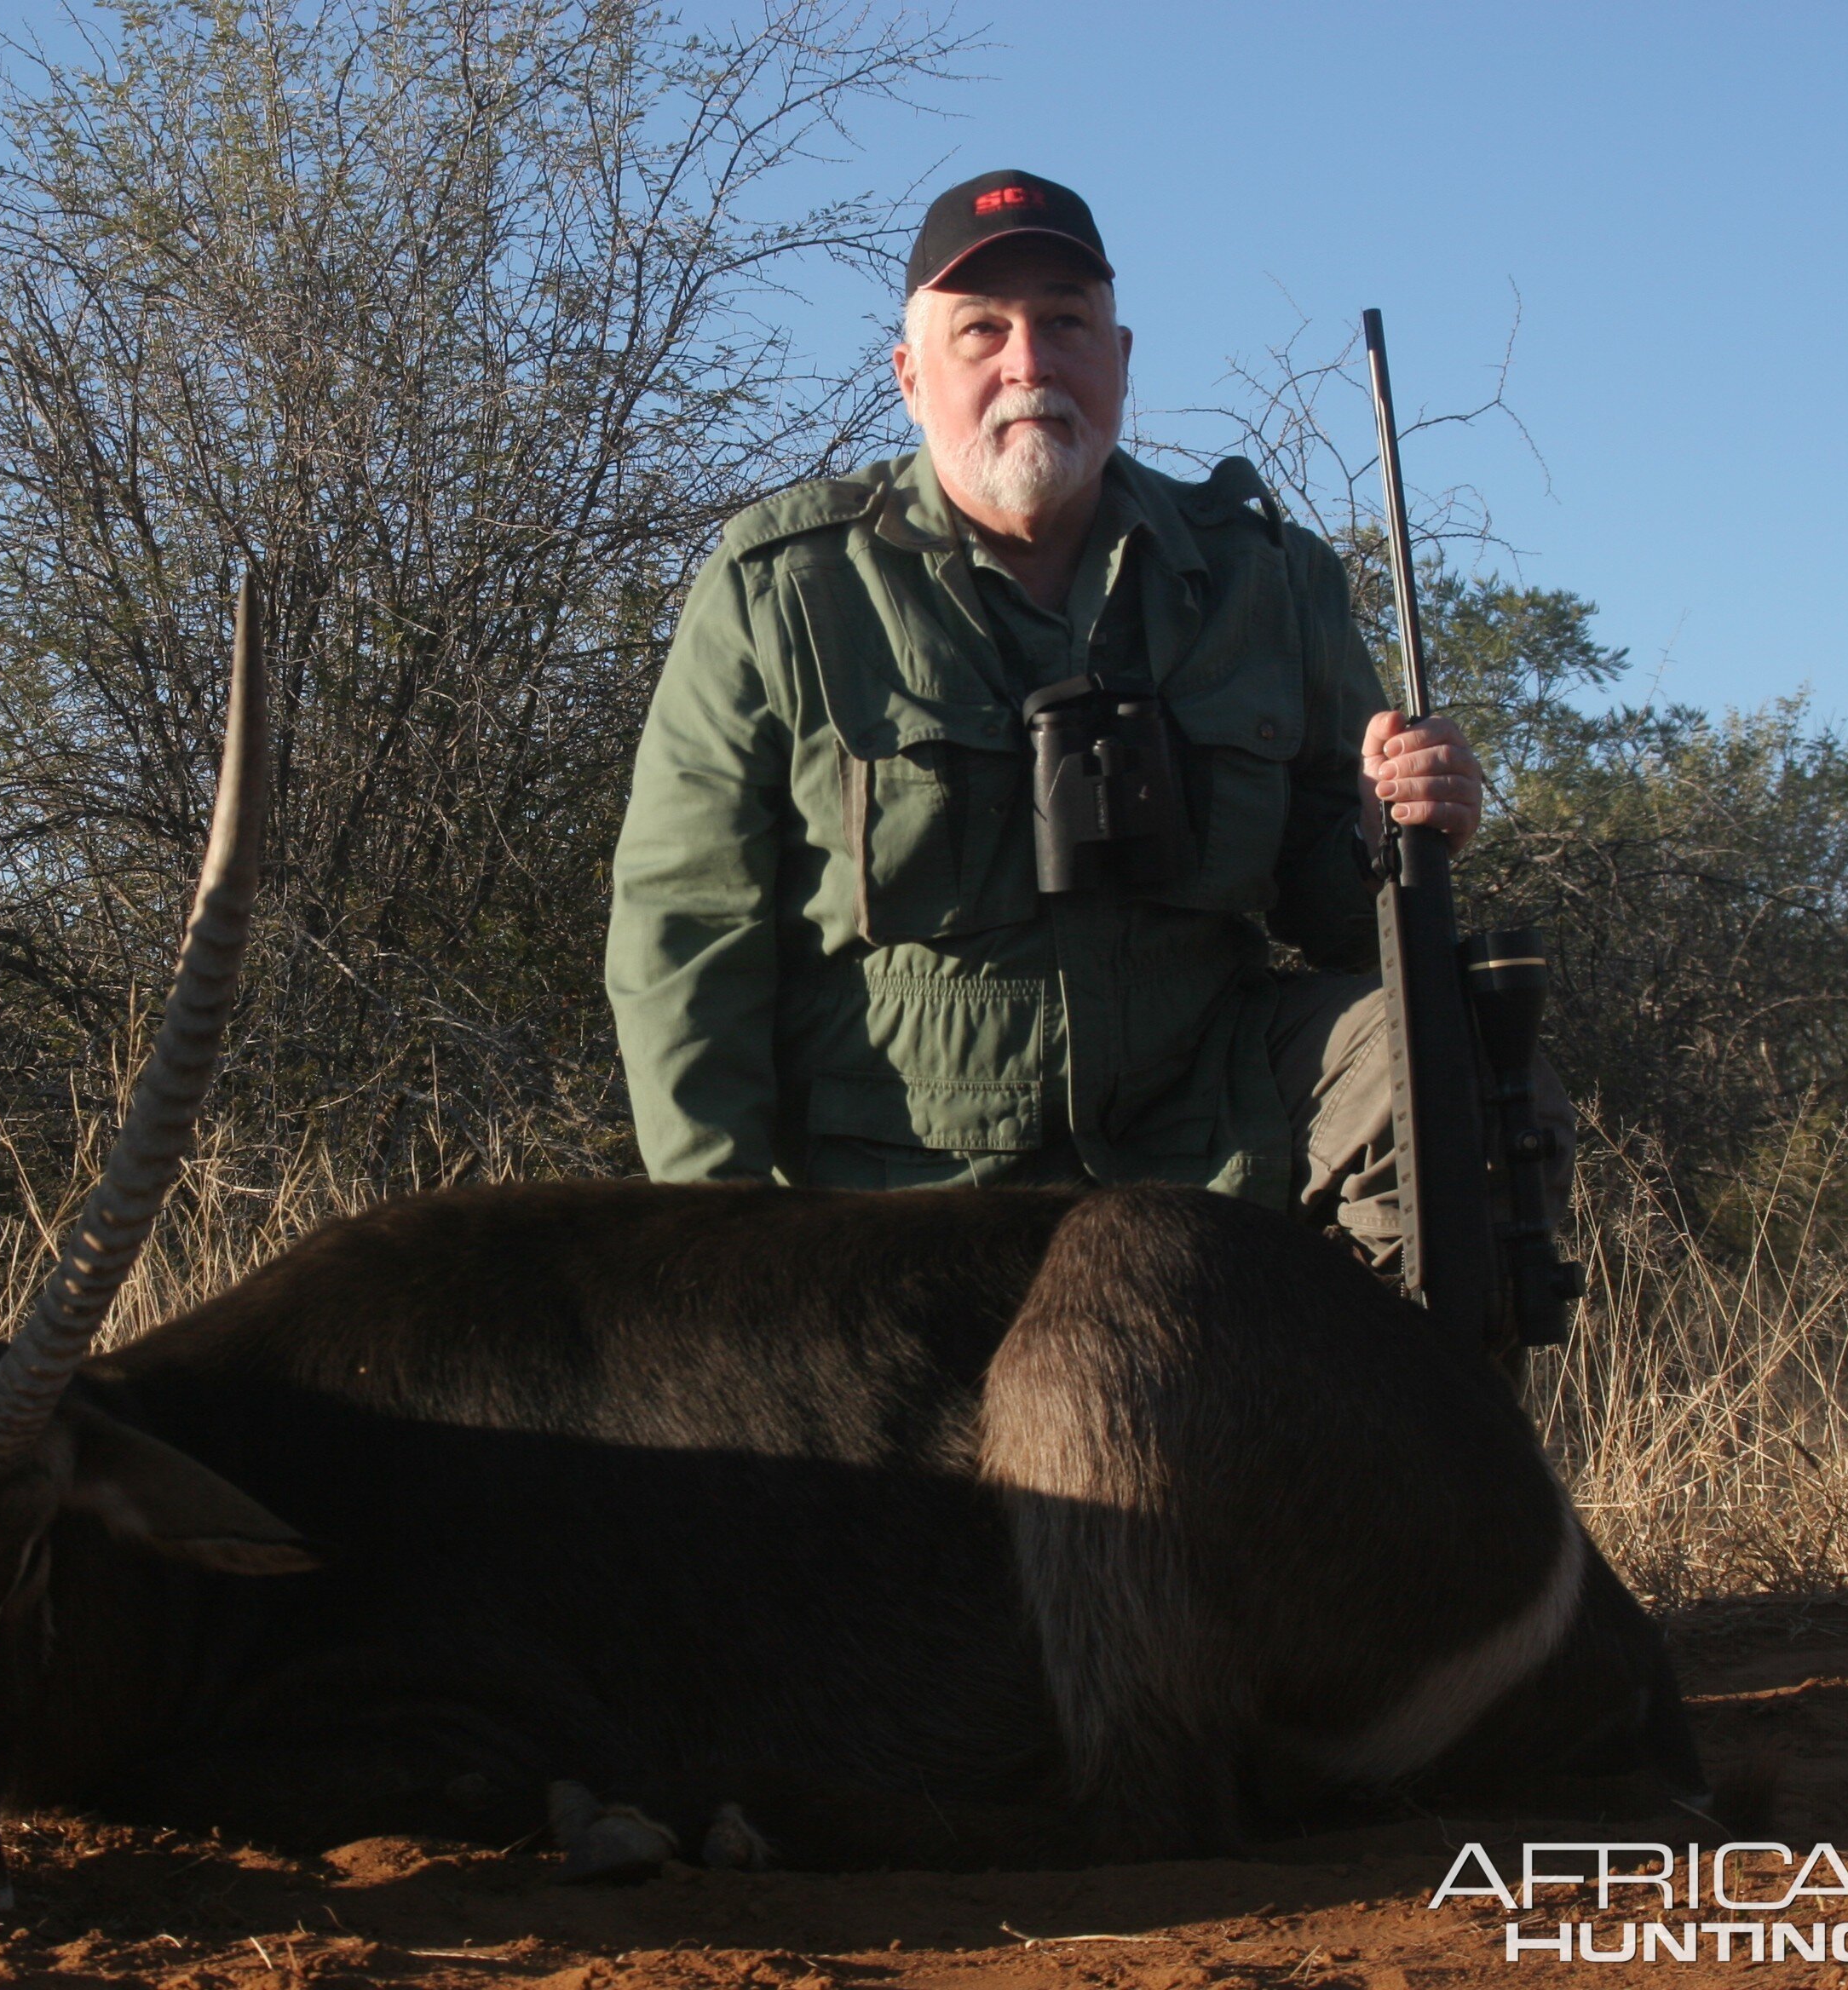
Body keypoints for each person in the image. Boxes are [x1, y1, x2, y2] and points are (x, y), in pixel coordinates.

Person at [604, 168, 1563, 1251]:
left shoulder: (1271, 579)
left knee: (1449, 1056)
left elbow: (1342, 919)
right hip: (896, 1194)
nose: (1030, 363)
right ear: (910, 375)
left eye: (1066, 321)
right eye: (983, 331)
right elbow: (684, 933)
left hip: (1214, 1131)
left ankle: (1406, 1407)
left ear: (1121, 359)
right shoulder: (781, 584)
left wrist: (1401, 824)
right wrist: (727, 1245)